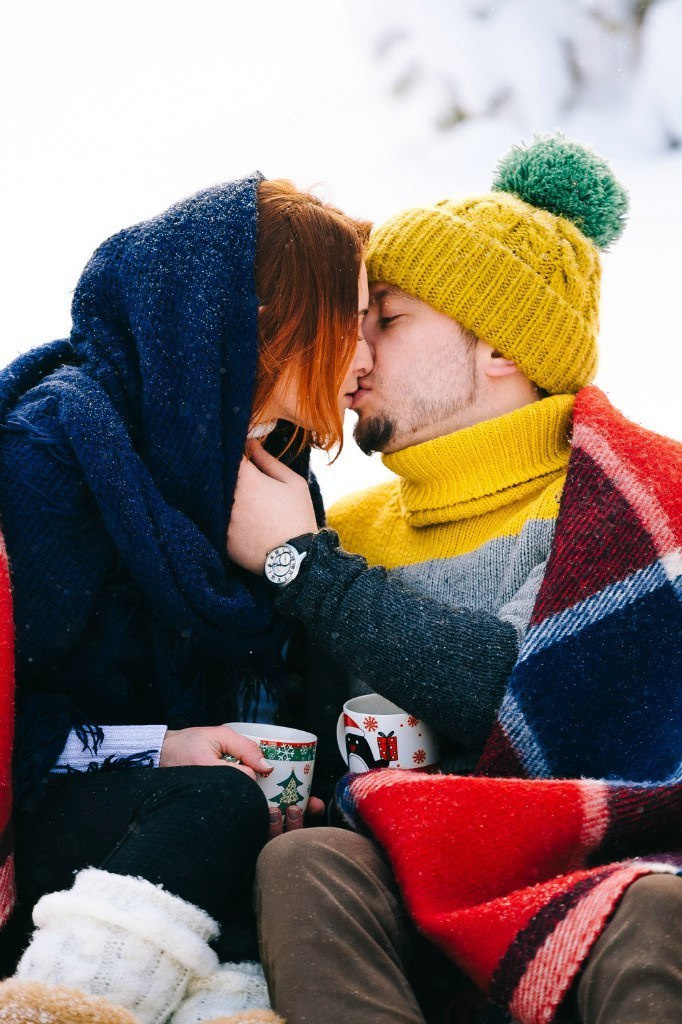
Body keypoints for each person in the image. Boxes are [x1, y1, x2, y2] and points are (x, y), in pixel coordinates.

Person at [226, 135, 682, 1024]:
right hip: (408, 867)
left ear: (499, 348)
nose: (354, 353)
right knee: (304, 862)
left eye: (387, 320)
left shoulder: (631, 507)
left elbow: (522, 692)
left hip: (592, 863)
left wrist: (302, 567)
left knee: (657, 908)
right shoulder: (347, 526)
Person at [0, 175, 372, 1024]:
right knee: (216, 803)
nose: (367, 354)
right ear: (267, 322)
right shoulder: (55, 454)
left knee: (290, 848)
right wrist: (161, 751)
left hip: (183, 843)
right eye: (350, 320)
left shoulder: (266, 474)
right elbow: (11, 724)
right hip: (49, 833)